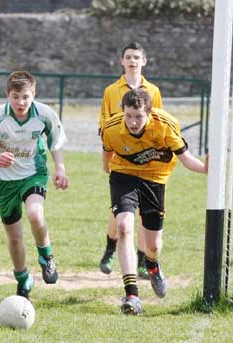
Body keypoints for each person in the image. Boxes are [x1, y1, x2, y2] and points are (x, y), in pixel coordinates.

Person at [101, 89, 208, 315]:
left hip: (155, 179)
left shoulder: (165, 126)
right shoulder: (111, 128)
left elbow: (186, 159)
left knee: (153, 246)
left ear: (149, 113)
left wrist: (206, 168)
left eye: (138, 116)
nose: (132, 121)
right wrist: (112, 176)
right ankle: (131, 295)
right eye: (129, 115)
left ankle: (152, 264)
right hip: (124, 176)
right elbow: (107, 155)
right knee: (123, 227)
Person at [0, 71, 68, 299]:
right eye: (15, 97)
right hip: (5, 182)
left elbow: (56, 141)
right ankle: (23, 279)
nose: (20, 102)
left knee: (35, 213)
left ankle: (46, 257)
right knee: (14, 238)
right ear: (7, 95)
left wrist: (60, 168)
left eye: (25, 97)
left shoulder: (44, 114)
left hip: (34, 173)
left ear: (34, 95)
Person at [98, 42, 163, 279]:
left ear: (144, 61)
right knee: (121, 212)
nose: (132, 61)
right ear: (122, 61)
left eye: (137, 57)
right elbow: (104, 125)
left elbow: (157, 123)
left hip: (146, 158)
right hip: (119, 154)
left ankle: (143, 259)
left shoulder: (153, 91)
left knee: (144, 212)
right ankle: (110, 248)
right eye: (128, 57)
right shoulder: (111, 90)